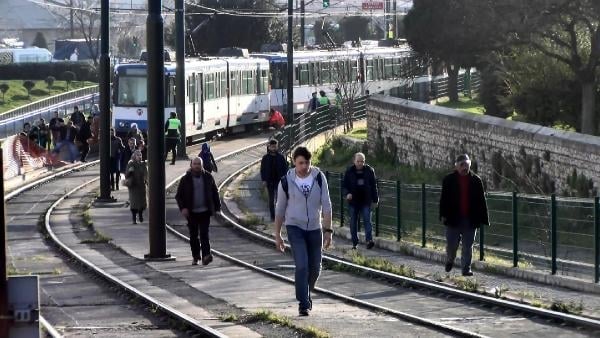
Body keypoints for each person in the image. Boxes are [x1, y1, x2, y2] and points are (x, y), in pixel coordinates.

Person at [274, 146, 333, 316]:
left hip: (315, 228)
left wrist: (328, 231)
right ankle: (303, 303)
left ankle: (306, 290)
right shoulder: (286, 181)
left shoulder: (319, 178)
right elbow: (279, 210)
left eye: (307, 162)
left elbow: (327, 205)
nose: (304, 166)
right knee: (302, 265)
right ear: (294, 162)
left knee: (315, 268)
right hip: (295, 227)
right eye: (300, 163)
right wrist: (277, 235)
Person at [439, 154, 489, 277]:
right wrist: (443, 215)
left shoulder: (476, 180)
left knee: (468, 246)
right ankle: (450, 260)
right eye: (461, 165)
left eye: (466, 164)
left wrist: (484, 218)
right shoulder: (448, 180)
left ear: (469, 165)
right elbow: (443, 199)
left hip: (470, 219)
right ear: (456, 167)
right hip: (453, 219)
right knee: (452, 245)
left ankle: (466, 269)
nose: (464, 167)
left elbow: (481, 200)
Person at [175, 157, 221, 266]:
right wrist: (183, 208)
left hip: (205, 211)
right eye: (195, 164)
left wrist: (217, 208)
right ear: (191, 165)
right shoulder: (185, 179)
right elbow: (179, 196)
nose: (197, 166)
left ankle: (206, 256)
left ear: (202, 165)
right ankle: (196, 256)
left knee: (204, 234)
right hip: (191, 213)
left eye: (199, 164)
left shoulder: (208, 177)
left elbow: (215, 192)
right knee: (194, 236)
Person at [342, 152, 379, 250]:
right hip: (353, 201)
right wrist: (347, 194)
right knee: (353, 222)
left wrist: (375, 199)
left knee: (367, 221)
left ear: (364, 162)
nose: (360, 163)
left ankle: (369, 241)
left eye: (362, 161)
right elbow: (344, 186)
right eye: (358, 161)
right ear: (354, 161)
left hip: (366, 200)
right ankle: (355, 242)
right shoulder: (349, 171)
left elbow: (374, 186)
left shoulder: (369, 171)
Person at [260, 139, 289, 221]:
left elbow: (285, 169)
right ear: (269, 147)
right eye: (272, 147)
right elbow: (262, 170)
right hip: (269, 182)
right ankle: (273, 217)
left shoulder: (281, 157)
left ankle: (279, 216)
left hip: (279, 181)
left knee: (279, 200)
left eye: (275, 146)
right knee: (271, 200)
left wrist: (284, 179)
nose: (273, 148)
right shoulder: (265, 158)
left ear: (277, 146)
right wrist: (264, 180)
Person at [125, 150, 147, 224]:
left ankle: (140, 215)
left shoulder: (143, 164)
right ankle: (134, 219)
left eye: (140, 155)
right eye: (138, 155)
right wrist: (130, 171)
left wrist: (147, 181)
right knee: (134, 203)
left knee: (141, 203)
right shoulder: (131, 164)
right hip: (133, 186)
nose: (140, 157)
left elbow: (146, 174)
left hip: (141, 186)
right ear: (134, 156)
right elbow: (126, 175)